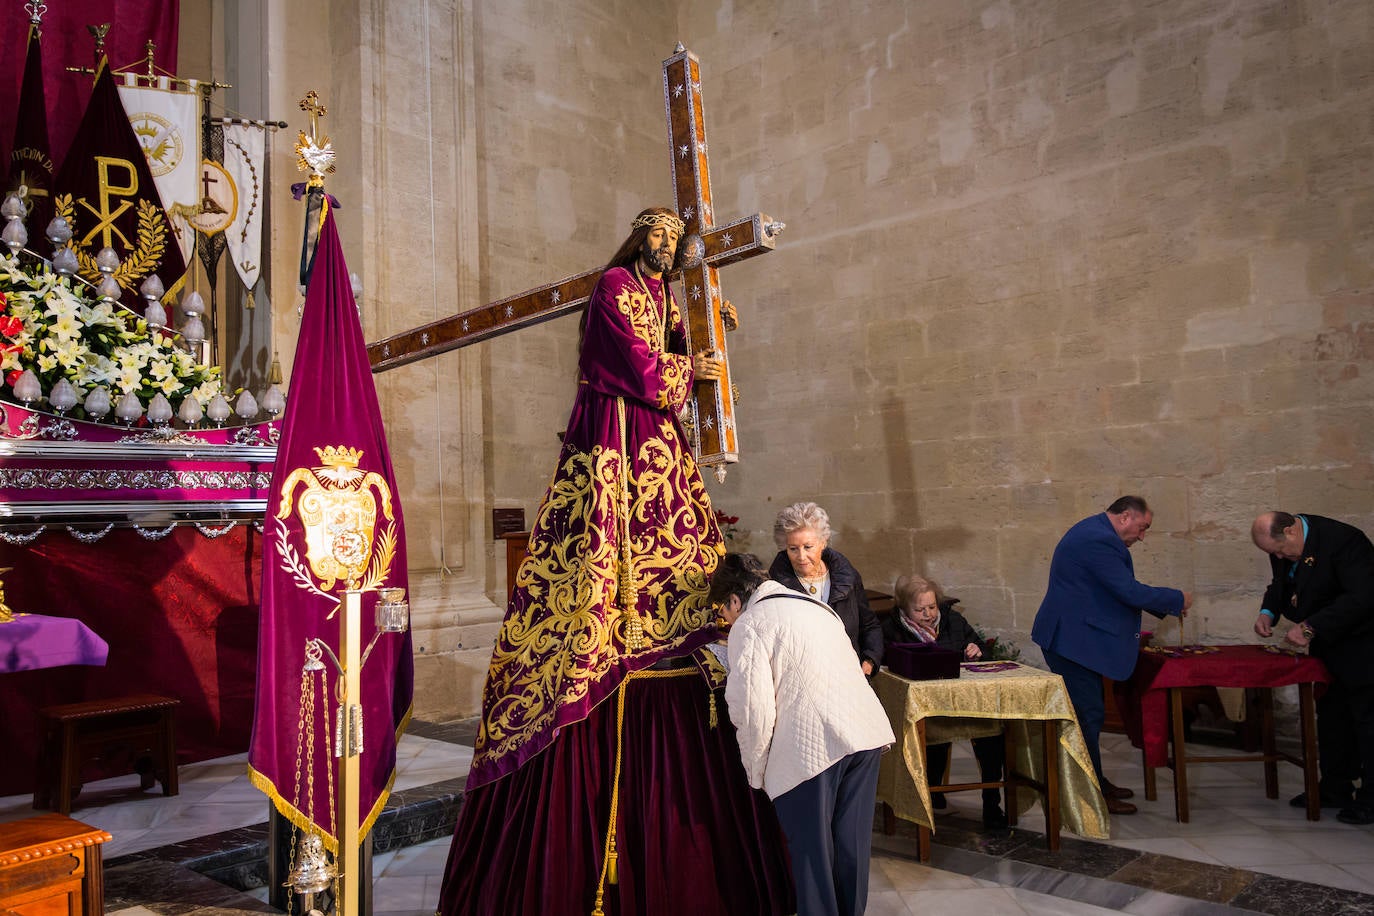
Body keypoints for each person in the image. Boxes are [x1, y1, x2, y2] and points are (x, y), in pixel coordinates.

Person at [437, 208, 794, 915]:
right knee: (604, 528)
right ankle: (601, 618)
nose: (663, 246)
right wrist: (686, 365)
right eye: (654, 235)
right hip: (614, 429)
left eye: (671, 237)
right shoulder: (612, 286)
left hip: (659, 443)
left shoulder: (666, 294)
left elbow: (684, 349)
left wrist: (705, 328)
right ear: (636, 241)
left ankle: (664, 621)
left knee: (668, 519)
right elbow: (624, 360)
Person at [713, 552, 895, 916]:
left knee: (813, 855)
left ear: (736, 598)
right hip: (864, 733)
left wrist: (756, 769)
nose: (726, 619)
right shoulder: (816, 608)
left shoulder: (750, 623)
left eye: (724, 610)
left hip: (813, 747)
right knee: (851, 845)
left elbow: (753, 708)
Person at [1030, 495, 1192, 816]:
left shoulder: (1096, 533)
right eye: (1142, 528)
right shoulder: (1097, 540)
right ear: (1125, 518)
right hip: (1070, 642)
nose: (1142, 536)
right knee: (1087, 716)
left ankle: (1094, 783)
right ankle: (1088, 793)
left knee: (1089, 714)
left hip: (1075, 639)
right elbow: (1127, 590)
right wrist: (1176, 598)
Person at [1251, 510, 1374, 826]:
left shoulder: (1345, 542)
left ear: (1291, 531)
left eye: (1279, 551)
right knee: (1333, 718)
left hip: (1363, 643)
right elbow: (1282, 583)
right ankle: (1335, 787)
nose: (1278, 557)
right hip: (1329, 645)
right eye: (1273, 554)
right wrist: (1268, 612)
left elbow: (1363, 596)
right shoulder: (1283, 545)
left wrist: (1310, 626)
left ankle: (1372, 799)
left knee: (1367, 720)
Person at [883, 574, 1007, 829]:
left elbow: (979, 646)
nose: (928, 614)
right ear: (905, 608)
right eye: (919, 610)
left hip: (964, 702)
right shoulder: (891, 628)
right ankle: (931, 793)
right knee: (933, 740)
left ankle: (991, 802)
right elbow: (888, 665)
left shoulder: (953, 620)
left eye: (932, 607)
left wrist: (976, 649)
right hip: (924, 709)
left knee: (992, 735)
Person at [769, 501, 883, 675]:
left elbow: (869, 625)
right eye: (793, 549)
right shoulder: (775, 587)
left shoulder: (848, 577)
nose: (801, 556)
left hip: (849, 677)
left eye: (808, 547)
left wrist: (869, 660)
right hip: (803, 679)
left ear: (823, 542)